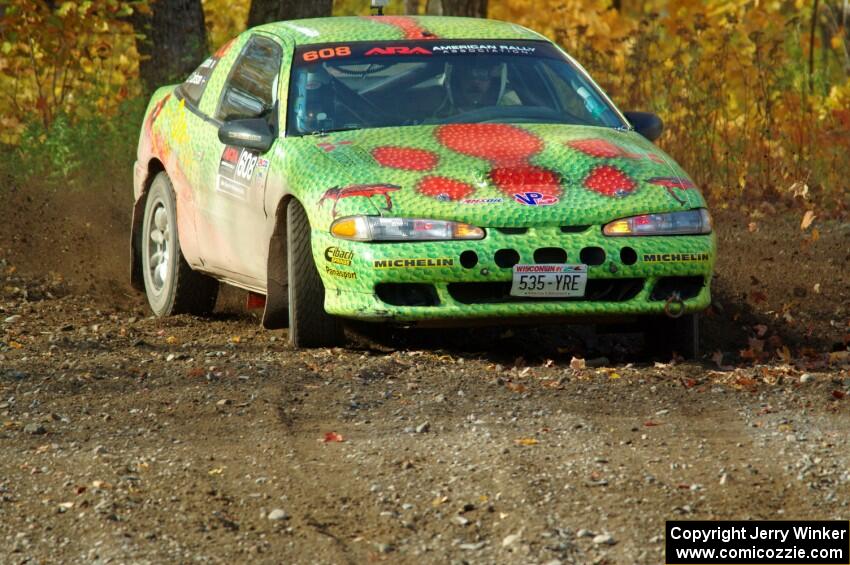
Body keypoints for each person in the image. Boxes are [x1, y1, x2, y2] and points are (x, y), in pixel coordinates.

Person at [434, 58, 520, 117]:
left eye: (483, 75)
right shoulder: (435, 109)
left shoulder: (511, 110)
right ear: (457, 80)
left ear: (493, 81)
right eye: (467, 75)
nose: (475, 82)